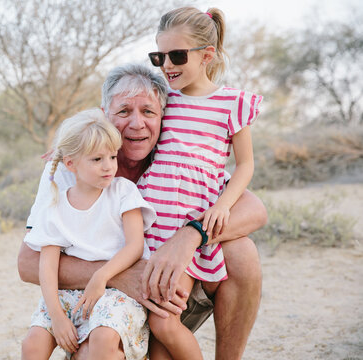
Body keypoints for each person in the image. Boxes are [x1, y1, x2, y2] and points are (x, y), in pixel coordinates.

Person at [18, 63, 267, 360]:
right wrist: (116, 275)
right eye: (123, 112)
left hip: (168, 296)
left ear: (163, 116)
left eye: (148, 112)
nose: (137, 124)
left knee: (242, 251)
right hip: (102, 299)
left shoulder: (170, 157)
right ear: (104, 114)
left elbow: (255, 210)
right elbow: (27, 263)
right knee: (93, 352)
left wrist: (189, 236)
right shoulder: (73, 167)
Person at [142, 7, 263, 359]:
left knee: (165, 323)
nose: (167, 65)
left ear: (207, 56)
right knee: (160, 333)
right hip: (154, 226)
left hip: (191, 220)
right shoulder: (163, 98)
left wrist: (223, 205)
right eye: (159, 56)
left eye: (177, 55)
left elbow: (245, 165)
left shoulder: (231, 103)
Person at [21, 108, 157, 360]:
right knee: (33, 344)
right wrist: (58, 317)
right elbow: (47, 265)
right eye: (97, 160)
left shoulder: (123, 192)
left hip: (115, 291)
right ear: (70, 163)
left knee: (104, 340)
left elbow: (135, 245)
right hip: (66, 294)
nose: (109, 167)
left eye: (112, 157)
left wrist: (100, 277)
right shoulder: (55, 205)